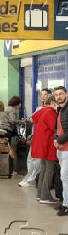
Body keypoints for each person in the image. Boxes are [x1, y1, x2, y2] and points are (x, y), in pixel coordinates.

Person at [19, 88, 52, 187]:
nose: (43, 96)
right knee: (31, 158)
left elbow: (34, 119)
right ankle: (29, 177)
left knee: (37, 160)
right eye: (41, 94)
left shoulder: (49, 109)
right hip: (35, 136)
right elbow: (31, 119)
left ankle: (33, 179)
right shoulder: (39, 108)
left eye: (45, 94)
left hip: (43, 138)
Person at [29, 95, 58, 204]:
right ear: (52, 102)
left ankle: (40, 194)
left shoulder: (41, 110)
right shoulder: (51, 112)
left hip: (40, 144)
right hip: (48, 145)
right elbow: (54, 128)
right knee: (49, 170)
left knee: (43, 170)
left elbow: (31, 119)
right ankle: (45, 196)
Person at [53, 86, 68, 216]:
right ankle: (64, 201)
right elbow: (57, 128)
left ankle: (66, 205)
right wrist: (55, 139)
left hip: (67, 149)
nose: (58, 97)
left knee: (65, 178)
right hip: (61, 149)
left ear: (66, 94)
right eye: (56, 95)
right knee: (64, 178)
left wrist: (59, 141)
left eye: (61, 94)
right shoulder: (60, 109)